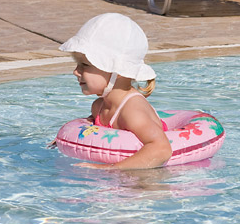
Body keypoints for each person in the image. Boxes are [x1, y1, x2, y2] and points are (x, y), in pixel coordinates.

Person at [58, 13, 172, 170]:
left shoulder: (132, 111)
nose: (76, 71)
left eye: (85, 64)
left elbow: (161, 149)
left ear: (117, 72)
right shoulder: (98, 107)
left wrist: (111, 168)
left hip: (147, 180)